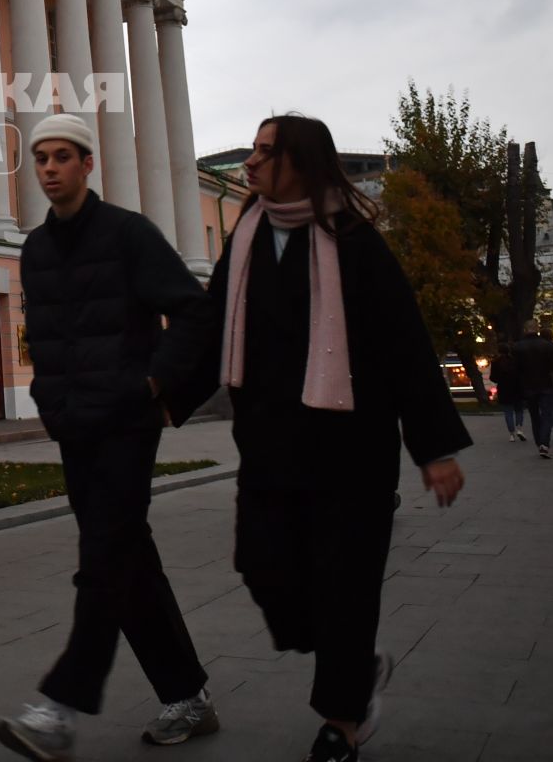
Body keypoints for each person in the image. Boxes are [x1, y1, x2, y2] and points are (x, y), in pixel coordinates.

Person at [209, 116, 470, 762]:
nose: (250, 163)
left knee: (345, 588)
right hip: (269, 450)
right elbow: (207, 323)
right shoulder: (244, 236)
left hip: (351, 456)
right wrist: (159, 390)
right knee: (261, 567)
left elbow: (405, 344)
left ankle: (342, 723)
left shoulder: (352, 241)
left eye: (266, 153)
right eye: (252, 151)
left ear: (300, 162)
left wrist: (433, 449)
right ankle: (352, 662)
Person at [0, 113, 218, 761]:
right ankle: (188, 696)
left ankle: (59, 709)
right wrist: (48, 400)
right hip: (74, 427)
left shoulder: (128, 234)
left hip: (125, 424)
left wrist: (154, 386)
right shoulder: (34, 249)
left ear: (88, 165)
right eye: (40, 158)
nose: (49, 168)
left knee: (102, 559)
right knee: (125, 560)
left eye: (63, 156)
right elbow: (43, 335)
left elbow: (196, 311)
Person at [509, 324, 553, 459]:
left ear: (525, 330)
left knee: (534, 415)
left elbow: (514, 369)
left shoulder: (517, 347)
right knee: (546, 414)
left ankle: (539, 443)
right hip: (546, 384)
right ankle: (544, 443)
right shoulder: (547, 345)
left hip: (528, 386)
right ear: (537, 330)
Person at [489, 350, 525, 441]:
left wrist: (500, 380)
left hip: (503, 389)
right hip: (517, 388)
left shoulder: (496, 362)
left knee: (508, 412)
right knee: (519, 410)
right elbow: (522, 374)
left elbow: (492, 377)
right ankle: (519, 429)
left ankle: (512, 434)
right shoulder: (516, 361)